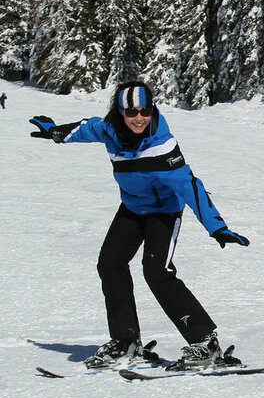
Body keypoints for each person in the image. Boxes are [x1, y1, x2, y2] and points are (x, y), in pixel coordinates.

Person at [29, 81, 250, 370]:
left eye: (145, 110)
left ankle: (204, 343)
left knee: (156, 271)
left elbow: (190, 186)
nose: (139, 117)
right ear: (120, 112)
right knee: (110, 263)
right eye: (131, 111)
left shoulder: (162, 145)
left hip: (164, 212)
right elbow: (85, 128)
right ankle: (125, 341)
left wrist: (216, 226)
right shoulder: (109, 129)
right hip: (132, 208)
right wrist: (57, 132)